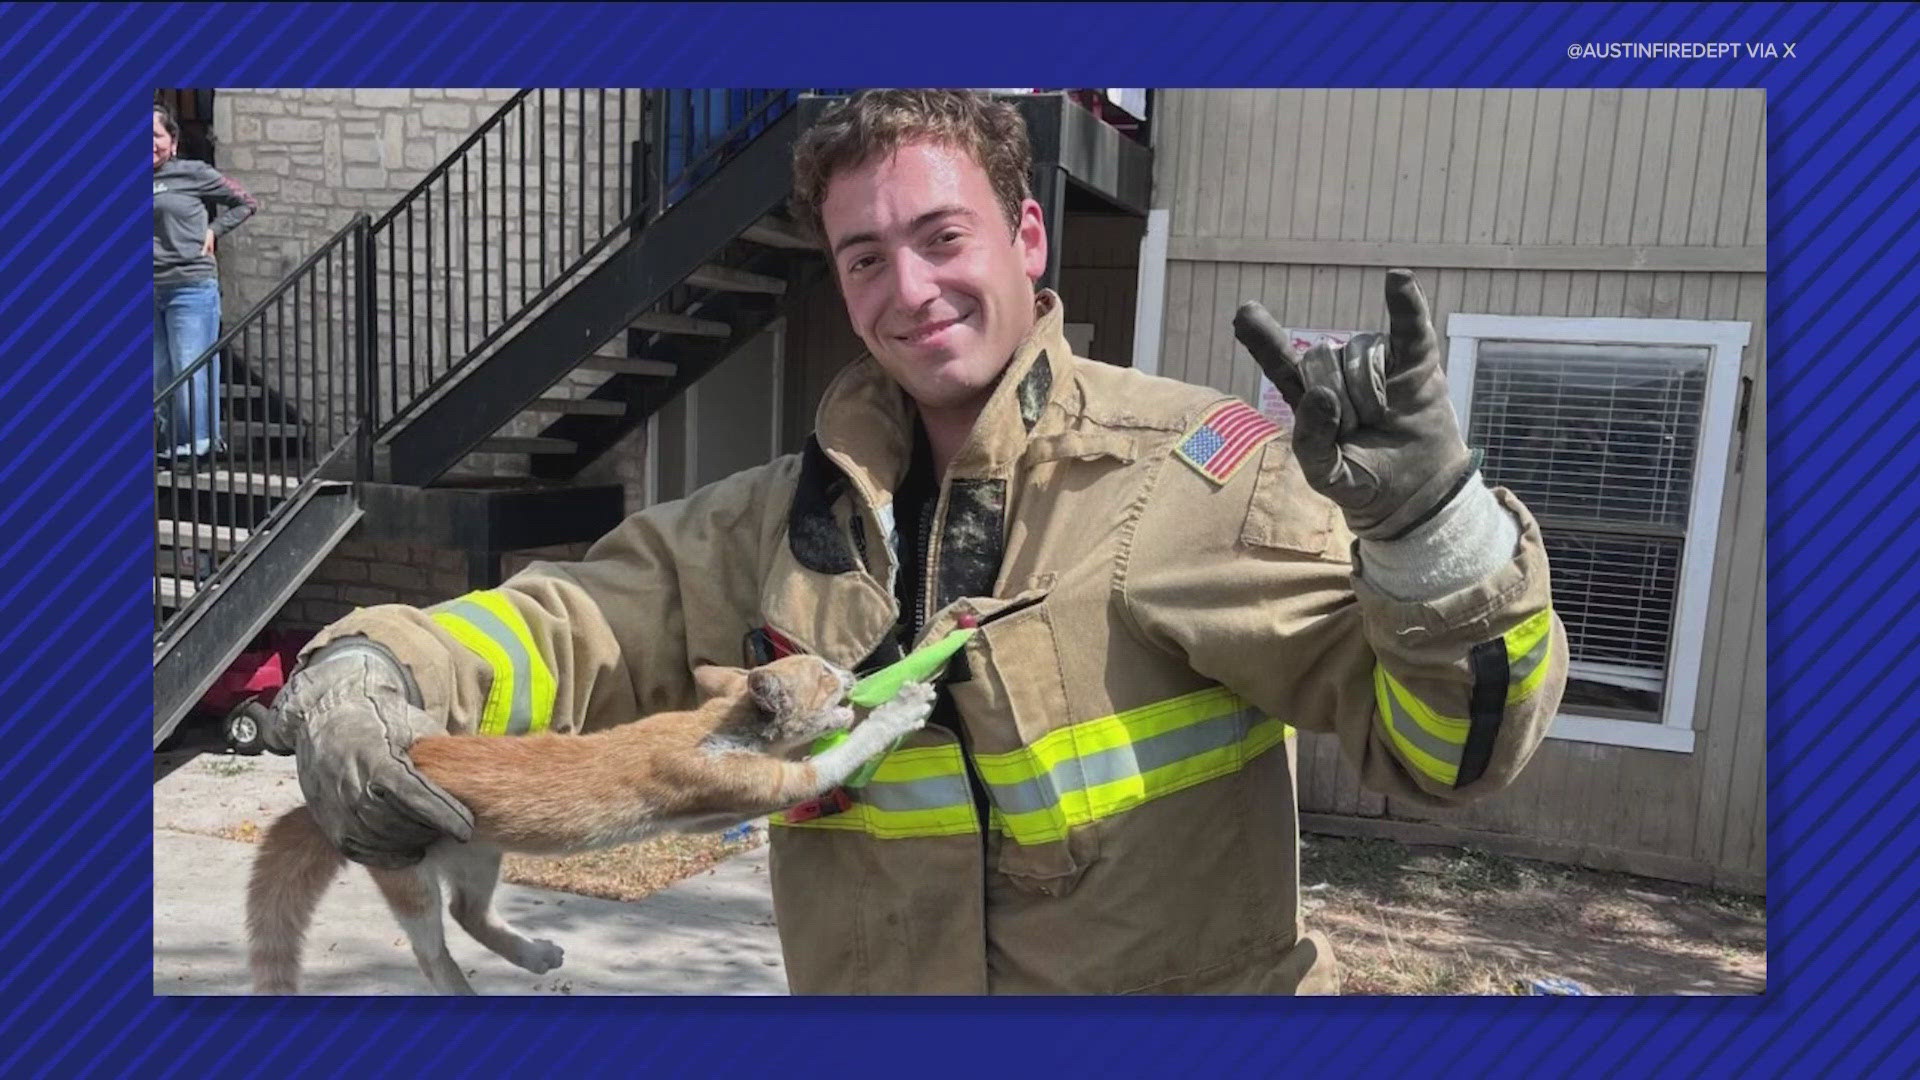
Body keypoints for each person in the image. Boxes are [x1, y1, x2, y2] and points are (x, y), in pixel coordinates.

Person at [264, 90, 1567, 994]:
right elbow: (578, 622)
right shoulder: (778, 520)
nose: (911, 290)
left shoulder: (1202, 475)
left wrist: (1430, 531)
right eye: (865, 258)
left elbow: (1452, 756)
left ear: (1028, 235)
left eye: (943, 237)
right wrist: (371, 670)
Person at [153, 101, 258, 465]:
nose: (149, 144)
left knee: (189, 367)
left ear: (173, 140)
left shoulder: (192, 173)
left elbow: (245, 203)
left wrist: (214, 230)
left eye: (156, 135)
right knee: (161, 373)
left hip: (189, 285)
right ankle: (176, 444)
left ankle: (196, 445)